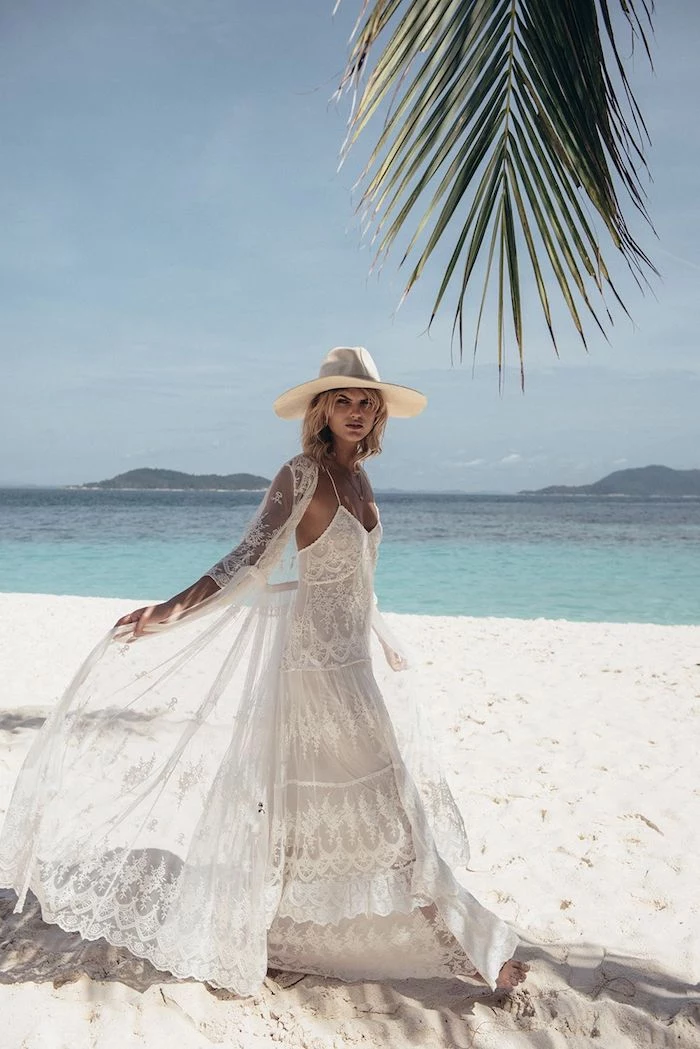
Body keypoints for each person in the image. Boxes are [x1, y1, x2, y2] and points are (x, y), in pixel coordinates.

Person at [0, 347, 528, 995]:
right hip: (310, 671)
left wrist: (384, 637)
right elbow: (246, 560)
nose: (356, 411)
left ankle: (284, 935)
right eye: (344, 399)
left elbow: (361, 582)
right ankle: (484, 953)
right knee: (384, 812)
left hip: (354, 667)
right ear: (322, 410)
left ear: (379, 412)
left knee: (372, 813)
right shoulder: (300, 474)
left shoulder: (362, 482)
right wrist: (167, 612)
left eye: (366, 401)